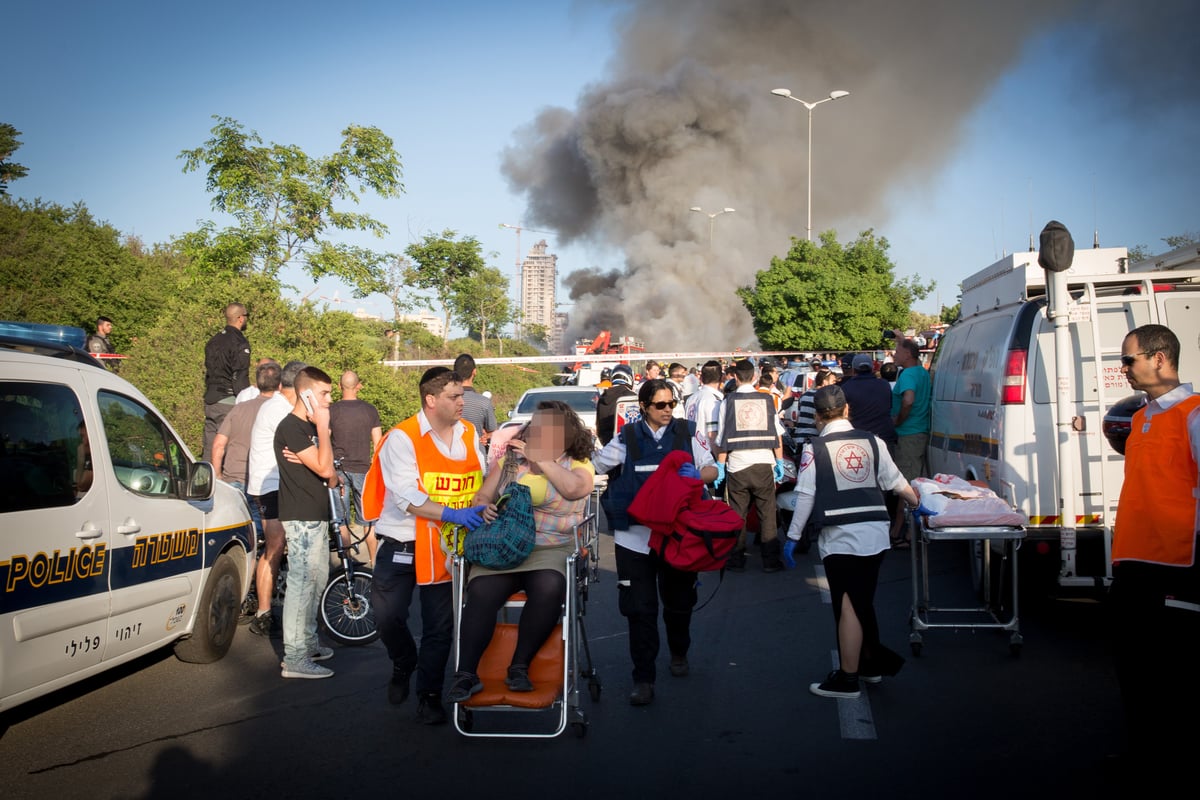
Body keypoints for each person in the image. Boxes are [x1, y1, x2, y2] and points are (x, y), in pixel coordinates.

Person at [447, 401, 596, 702]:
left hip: (550, 546)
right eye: (538, 426)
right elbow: (483, 494)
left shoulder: (577, 463)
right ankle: (466, 673)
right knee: (481, 592)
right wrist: (483, 505)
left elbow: (574, 490)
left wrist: (543, 460)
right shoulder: (511, 462)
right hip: (506, 545)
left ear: (566, 434)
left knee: (549, 587)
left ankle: (519, 665)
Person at [367, 367, 488, 724]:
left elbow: (479, 478)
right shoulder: (402, 438)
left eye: (462, 396)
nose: (462, 402)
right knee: (387, 617)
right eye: (454, 396)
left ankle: (429, 695)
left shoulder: (468, 432)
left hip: (447, 546)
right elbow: (408, 498)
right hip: (403, 540)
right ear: (431, 400)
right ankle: (404, 661)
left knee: (440, 627)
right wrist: (453, 513)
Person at [783, 384, 919, 699]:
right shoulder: (873, 441)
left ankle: (847, 678)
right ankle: (870, 666)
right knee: (862, 601)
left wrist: (792, 537)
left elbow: (805, 496)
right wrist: (917, 503)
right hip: (875, 533)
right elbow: (895, 481)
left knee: (847, 605)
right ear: (847, 411)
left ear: (817, 417)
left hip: (841, 536)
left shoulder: (814, 448)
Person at [593, 379, 718, 705]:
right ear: (644, 407)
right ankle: (643, 678)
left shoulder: (689, 432)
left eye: (671, 404)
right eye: (660, 405)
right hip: (635, 539)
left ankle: (679, 651)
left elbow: (711, 469)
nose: (667, 411)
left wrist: (698, 475)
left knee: (679, 604)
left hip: (678, 539)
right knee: (640, 610)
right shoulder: (627, 437)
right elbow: (597, 465)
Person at [1109, 324, 1199, 772]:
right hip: (1134, 563)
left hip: (1178, 565)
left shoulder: (1194, 415)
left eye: (1129, 359)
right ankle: (1142, 755)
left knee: (1174, 674)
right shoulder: (1143, 418)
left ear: (1160, 358)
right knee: (1136, 669)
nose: (1123, 368)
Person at [274, 366, 337, 679]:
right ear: (307, 394)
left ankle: (308, 643)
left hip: (315, 514)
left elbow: (333, 476)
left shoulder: (308, 429)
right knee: (302, 583)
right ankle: (295, 657)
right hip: (301, 516)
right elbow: (327, 470)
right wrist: (323, 432)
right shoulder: (294, 427)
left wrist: (323, 459)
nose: (329, 399)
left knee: (316, 580)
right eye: (324, 393)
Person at [244, 360, 306, 638]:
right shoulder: (279, 409)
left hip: (276, 483)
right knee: (275, 544)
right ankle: (264, 612)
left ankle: (273, 605)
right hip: (269, 485)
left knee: (282, 544)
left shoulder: (282, 405)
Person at [715, 359, 786, 572]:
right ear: (754, 376)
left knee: (738, 515)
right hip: (764, 463)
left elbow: (723, 438)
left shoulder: (727, 402)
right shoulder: (765, 400)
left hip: (737, 466)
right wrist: (779, 461)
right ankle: (770, 561)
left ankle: (736, 560)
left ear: (735, 377)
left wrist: (720, 466)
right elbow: (777, 435)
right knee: (767, 513)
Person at [212, 361, 281, 548]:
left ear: (257, 383)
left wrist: (218, 476)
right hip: (263, 483)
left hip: (233, 478)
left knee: (235, 537)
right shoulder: (280, 411)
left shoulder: (239, 408)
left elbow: (218, 445)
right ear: (280, 384)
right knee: (263, 539)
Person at [330, 369, 382, 565]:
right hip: (364, 471)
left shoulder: (332, 411)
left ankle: (347, 561)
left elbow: (325, 441)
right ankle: (375, 561)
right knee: (369, 519)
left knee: (341, 518)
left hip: (339, 470)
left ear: (339, 387)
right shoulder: (370, 410)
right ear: (358, 386)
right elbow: (378, 445)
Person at [890, 338, 932, 543]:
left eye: (897, 351)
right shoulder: (922, 372)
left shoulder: (908, 374)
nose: (894, 355)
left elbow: (908, 399)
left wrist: (898, 418)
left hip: (909, 434)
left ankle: (902, 531)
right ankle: (904, 530)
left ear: (907, 354)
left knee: (905, 485)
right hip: (920, 431)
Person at [203, 303, 251, 461]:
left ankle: (206, 482)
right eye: (246, 315)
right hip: (228, 402)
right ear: (240, 318)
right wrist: (246, 404)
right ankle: (225, 484)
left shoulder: (213, 341)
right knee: (228, 451)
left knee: (210, 449)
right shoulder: (239, 343)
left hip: (210, 400)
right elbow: (239, 375)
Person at [454, 353, 497, 449]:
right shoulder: (484, 402)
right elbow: (493, 432)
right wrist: (486, 436)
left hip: (451, 459)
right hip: (477, 457)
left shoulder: (445, 402)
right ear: (474, 372)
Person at [684, 360, 724, 456]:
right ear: (722, 378)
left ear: (701, 378)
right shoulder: (714, 400)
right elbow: (712, 434)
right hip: (708, 455)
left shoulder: (691, 398)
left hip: (692, 451)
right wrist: (720, 461)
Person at [596, 363, 637, 446]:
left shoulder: (603, 398)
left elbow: (599, 427)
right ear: (630, 378)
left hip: (608, 445)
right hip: (629, 446)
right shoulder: (632, 397)